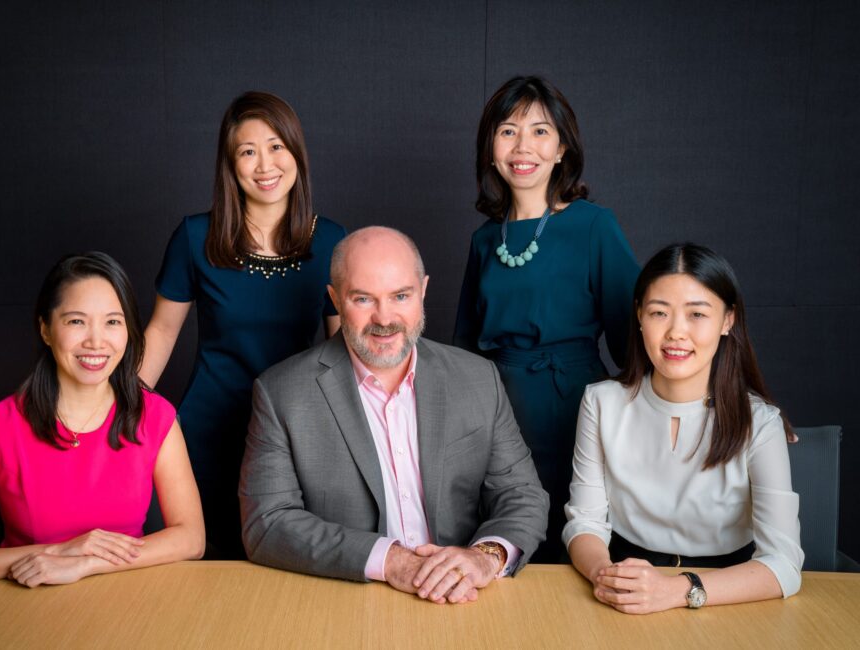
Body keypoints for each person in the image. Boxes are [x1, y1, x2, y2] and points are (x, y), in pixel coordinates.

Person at [240, 227, 548, 604]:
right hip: (346, 599)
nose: (384, 318)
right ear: (335, 299)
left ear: (423, 291)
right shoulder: (281, 392)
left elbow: (522, 495)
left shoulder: (478, 378)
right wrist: (390, 561)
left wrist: (485, 558)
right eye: (363, 299)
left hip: (463, 598)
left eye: (400, 296)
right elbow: (266, 525)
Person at [0, 252, 204, 587]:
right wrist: (59, 553)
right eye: (76, 321)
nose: (95, 341)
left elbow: (191, 538)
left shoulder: (156, 416)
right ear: (45, 329)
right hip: (27, 604)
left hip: (128, 600)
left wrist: (88, 563)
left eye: (112, 322)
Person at [141, 92, 346, 559]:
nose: (264, 164)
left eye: (276, 146)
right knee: (210, 564)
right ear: (229, 165)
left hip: (296, 429)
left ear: (296, 153)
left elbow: (342, 348)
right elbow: (161, 332)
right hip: (210, 426)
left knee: (287, 562)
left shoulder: (332, 240)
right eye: (247, 151)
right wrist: (119, 416)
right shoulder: (196, 236)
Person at [453, 75, 639, 562]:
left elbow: (638, 340)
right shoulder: (484, 240)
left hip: (572, 409)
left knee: (569, 545)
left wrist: (733, 400)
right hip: (496, 412)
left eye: (539, 131)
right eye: (508, 131)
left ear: (561, 149)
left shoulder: (594, 226)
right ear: (491, 148)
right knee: (500, 542)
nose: (523, 146)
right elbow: (464, 348)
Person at [563, 243, 803, 614]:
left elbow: (784, 565)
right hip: (626, 586)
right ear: (640, 315)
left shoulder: (760, 422)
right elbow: (585, 523)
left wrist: (676, 590)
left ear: (728, 321)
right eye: (660, 312)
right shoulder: (601, 403)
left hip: (730, 597)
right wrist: (607, 577)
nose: (676, 332)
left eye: (697, 314)